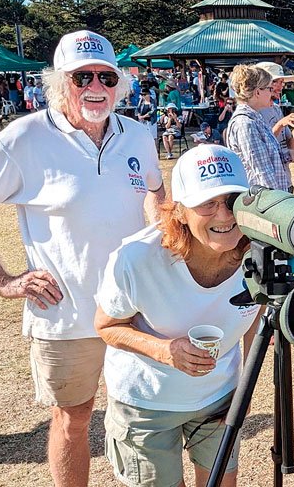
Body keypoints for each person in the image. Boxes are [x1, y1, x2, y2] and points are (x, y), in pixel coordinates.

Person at [0, 29, 164, 487]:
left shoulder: (138, 134)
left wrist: (160, 222)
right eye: (82, 76)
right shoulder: (24, 137)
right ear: (58, 82)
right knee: (74, 419)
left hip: (139, 310)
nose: (96, 87)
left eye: (107, 77)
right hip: (66, 314)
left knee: (146, 415)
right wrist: (6, 281)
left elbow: (154, 192)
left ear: (119, 82)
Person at [95, 144, 259, 487]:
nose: (224, 216)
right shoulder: (136, 258)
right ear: (179, 211)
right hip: (146, 404)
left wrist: (243, 387)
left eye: (231, 200)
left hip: (218, 399)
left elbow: (254, 317)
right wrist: (164, 350)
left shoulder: (258, 254)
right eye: (207, 204)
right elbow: (107, 325)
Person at [225, 64, 294, 192]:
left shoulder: (254, 119)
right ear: (257, 92)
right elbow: (262, 173)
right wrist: (281, 203)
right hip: (267, 201)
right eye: (269, 88)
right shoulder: (246, 124)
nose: (272, 92)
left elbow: (265, 157)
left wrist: (286, 154)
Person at [254, 62, 294, 192]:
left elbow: (290, 148)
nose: (280, 87)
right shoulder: (253, 113)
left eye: (282, 82)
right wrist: (280, 124)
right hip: (267, 186)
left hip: (285, 181)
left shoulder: (276, 109)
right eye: (275, 82)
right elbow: (262, 149)